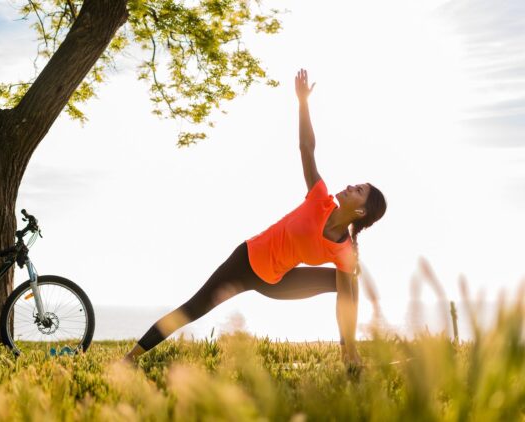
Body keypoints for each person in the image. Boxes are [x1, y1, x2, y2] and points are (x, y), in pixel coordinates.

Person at [124, 69, 387, 368]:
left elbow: (347, 299)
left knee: (348, 282)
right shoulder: (320, 199)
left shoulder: (343, 250)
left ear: (361, 211)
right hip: (245, 261)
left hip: (276, 282)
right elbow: (306, 148)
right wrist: (303, 103)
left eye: (359, 190)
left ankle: (348, 353)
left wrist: (348, 342)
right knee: (193, 308)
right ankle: (130, 358)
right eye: (356, 185)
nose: (352, 186)